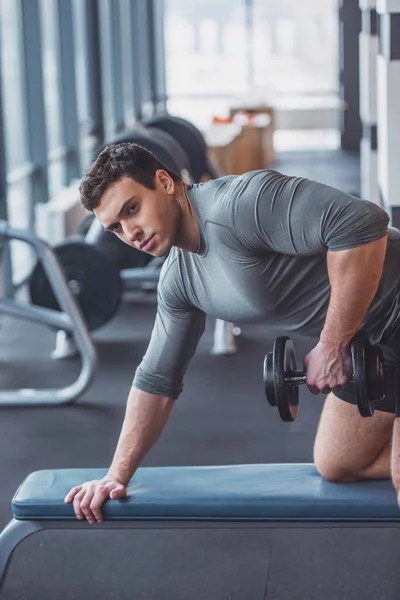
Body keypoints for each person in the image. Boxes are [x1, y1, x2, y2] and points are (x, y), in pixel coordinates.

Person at [65, 142, 400, 524]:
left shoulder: (240, 205)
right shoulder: (179, 281)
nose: (131, 232)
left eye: (132, 208)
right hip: (373, 343)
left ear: (164, 181)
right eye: (115, 228)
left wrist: (332, 344)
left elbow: (363, 222)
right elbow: (157, 380)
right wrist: (115, 475)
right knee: (338, 463)